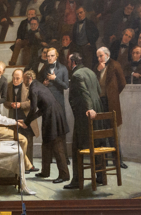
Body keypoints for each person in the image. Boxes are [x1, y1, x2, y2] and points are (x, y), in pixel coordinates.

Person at [20, 74, 69, 183]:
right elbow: (42, 108)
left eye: (24, 79)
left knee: (56, 143)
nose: (23, 82)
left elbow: (33, 109)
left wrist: (26, 122)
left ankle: (64, 174)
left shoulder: (33, 88)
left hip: (52, 115)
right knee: (46, 143)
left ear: (29, 78)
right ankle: (45, 172)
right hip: (51, 113)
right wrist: (28, 121)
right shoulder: (38, 85)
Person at [64, 52, 103, 190]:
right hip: (97, 112)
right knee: (97, 142)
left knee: (77, 147)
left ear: (73, 62)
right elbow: (98, 91)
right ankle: (101, 177)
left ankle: (76, 180)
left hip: (86, 115)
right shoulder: (91, 72)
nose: (68, 64)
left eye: (69, 62)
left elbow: (85, 93)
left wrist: (89, 109)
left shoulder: (76, 75)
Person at [95, 47, 127, 169]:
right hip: (100, 102)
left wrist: (113, 94)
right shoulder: (97, 67)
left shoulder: (115, 65)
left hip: (111, 103)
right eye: (97, 56)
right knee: (102, 131)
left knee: (113, 132)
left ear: (107, 55)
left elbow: (122, 83)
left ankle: (118, 161)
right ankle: (104, 160)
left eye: (101, 56)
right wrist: (98, 71)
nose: (99, 59)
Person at [37, 47, 69, 119]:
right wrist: (44, 84)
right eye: (48, 56)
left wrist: (55, 79)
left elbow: (66, 86)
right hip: (47, 101)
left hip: (58, 101)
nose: (50, 58)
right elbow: (39, 84)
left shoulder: (63, 68)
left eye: (52, 56)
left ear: (56, 56)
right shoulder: (44, 69)